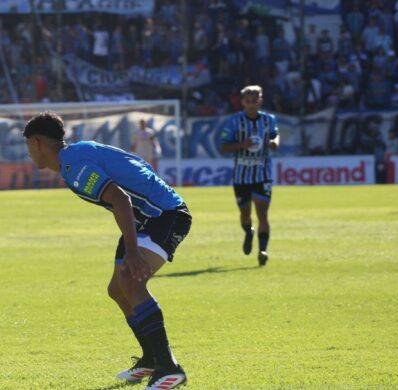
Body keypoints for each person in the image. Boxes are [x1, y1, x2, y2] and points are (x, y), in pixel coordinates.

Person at [22, 112, 191, 390]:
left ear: (37, 142)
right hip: (143, 218)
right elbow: (133, 165)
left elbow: (121, 199)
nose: (29, 154)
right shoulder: (76, 155)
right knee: (117, 289)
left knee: (131, 282)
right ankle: (151, 358)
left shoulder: (73, 165)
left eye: (29, 146)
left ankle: (169, 368)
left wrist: (134, 251)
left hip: (166, 215)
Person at [219, 85, 279, 266]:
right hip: (241, 176)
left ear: (260, 101)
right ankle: (248, 232)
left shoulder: (269, 119)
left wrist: (274, 142)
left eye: (255, 101)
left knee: (262, 213)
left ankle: (263, 250)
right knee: (245, 214)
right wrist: (241, 145)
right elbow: (223, 146)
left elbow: (275, 135)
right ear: (243, 102)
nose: (252, 104)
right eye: (248, 101)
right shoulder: (234, 121)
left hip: (263, 173)